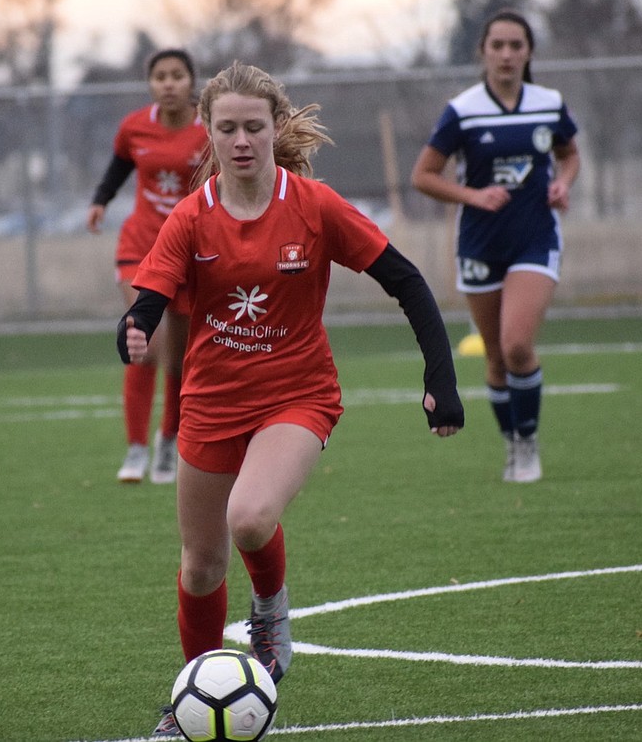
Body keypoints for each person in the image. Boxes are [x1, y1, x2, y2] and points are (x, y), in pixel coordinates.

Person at [115, 61, 464, 737]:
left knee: (248, 517)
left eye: (253, 126)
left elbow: (408, 281)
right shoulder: (192, 217)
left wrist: (440, 380)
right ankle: (196, 701)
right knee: (200, 565)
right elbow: (151, 297)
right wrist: (134, 329)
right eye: (227, 128)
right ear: (210, 137)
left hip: (297, 395)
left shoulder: (314, 206)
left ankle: (270, 612)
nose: (241, 139)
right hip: (211, 400)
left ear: (275, 128)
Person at [410, 9, 580, 484]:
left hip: (535, 237)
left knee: (517, 345)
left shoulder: (549, 102)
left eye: (516, 45)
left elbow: (569, 154)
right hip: (480, 243)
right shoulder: (463, 110)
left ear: (528, 53)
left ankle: (527, 443)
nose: (506, 54)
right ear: (482, 51)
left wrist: (563, 183)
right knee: (495, 358)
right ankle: (512, 444)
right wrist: (473, 196)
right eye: (497, 45)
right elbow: (422, 176)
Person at [87, 49, 208, 484]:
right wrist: (101, 200)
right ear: (150, 83)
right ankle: (136, 449)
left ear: (191, 81)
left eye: (177, 75)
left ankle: (168, 442)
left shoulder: (209, 128)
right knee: (141, 339)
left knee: (179, 356)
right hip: (140, 246)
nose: (169, 83)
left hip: (189, 253)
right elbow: (120, 164)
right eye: (160, 76)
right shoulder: (135, 125)